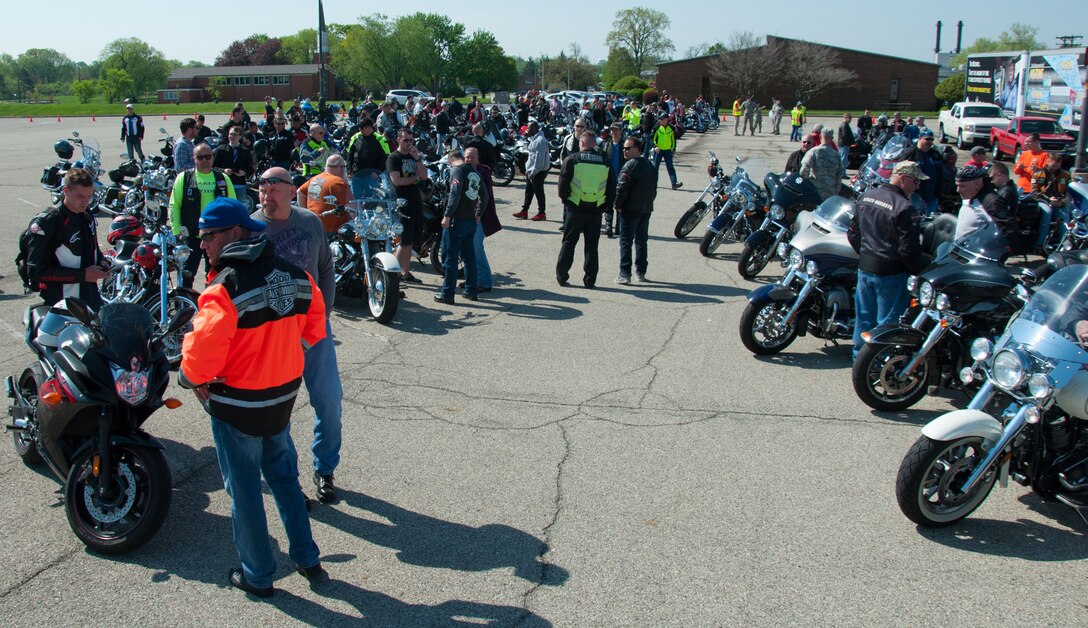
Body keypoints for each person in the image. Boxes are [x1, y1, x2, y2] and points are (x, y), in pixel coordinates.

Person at [179, 197, 328, 599]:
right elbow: (315, 327)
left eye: (207, 236)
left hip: (238, 404)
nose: (203, 245)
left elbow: (199, 357)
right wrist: (277, 349)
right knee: (284, 479)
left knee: (243, 490)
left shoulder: (223, 286)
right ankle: (307, 557)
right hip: (280, 400)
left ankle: (258, 575)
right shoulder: (296, 274)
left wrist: (192, 377)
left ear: (233, 233)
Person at [251, 167, 342, 504]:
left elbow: (326, 266)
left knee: (329, 404)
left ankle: (325, 468)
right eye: (262, 187)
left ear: (292, 191)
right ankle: (287, 481)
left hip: (314, 329)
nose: (267, 193)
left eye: (274, 187)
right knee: (277, 414)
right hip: (273, 336)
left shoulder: (309, 222)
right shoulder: (249, 228)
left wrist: (326, 311)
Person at [847, 161, 927, 358]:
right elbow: (908, 250)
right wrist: (917, 271)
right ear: (903, 178)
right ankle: (878, 363)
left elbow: (853, 233)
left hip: (865, 267)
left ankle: (859, 359)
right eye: (915, 182)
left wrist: (866, 253)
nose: (917, 187)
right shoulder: (905, 208)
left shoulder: (867, 196)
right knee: (887, 325)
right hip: (890, 274)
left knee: (864, 319)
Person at [22, 168, 109, 307]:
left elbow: (91, 250)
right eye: (80, 196)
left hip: (90, 299)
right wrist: (82, 275)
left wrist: (102, 262)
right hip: (60, 304)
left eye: (89, 196)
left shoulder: (86, 215)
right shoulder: (48, 222)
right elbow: (35, 271)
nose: (86, 202)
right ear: (66, 191)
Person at [170, 142, 236, 288]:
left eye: (208, 157)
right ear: (194, 158)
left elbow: (233, 207)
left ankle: (211, 303)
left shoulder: (223, 179)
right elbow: (174, 205)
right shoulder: (184, 178)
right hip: (191, 235)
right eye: (200, 157)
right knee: (187, 273)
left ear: (213, 157)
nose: (205, 160)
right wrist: (176, 231)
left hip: (216, 236)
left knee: (215, 274)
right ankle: (185, 306)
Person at [556, 131, 617, 288]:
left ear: (581, 143)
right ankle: (590, 280)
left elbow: (562, 185)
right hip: (596, 210)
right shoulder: (606, 162)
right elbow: (612, 188)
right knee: (591, 246)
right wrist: (605, 206)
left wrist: (566, 201)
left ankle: (562, 277)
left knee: (568, 242)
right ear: (594, 144)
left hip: (574, 208)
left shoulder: (571, 160)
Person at [434, 149, 487, 305]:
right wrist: (478, 212)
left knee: (450, 259)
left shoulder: (456, 171)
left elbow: (455, 193)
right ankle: (471, 290)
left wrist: (447, 214)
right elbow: (485, 195)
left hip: (457, 220)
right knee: (469, 258)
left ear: (450, 161)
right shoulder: (475, 173)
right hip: (470, 221)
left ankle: (447, 293)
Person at [613, 136, 658, 284]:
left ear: (637, 149)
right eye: (623, 148)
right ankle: (641, 272)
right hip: (645, 209)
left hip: (631, 209)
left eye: (627, 148)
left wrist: (617, 205)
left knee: (626, 241)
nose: (624, 151)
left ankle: (625, 273)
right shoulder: (650, 165)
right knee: (641, 240)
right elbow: (654, 190)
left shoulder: (630, 166)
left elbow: (621, 189)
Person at [387, 128, 429, 283]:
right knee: (404, 241)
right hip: (401, 203)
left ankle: (405, 272)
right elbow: (397, 181)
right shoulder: (394, 158)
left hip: (415, 201)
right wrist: (415, 179)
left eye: (411, 140)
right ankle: (394, 276)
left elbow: (424, 176)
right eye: (406, 140)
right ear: (398, 140)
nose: (409, 143)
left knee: (411, 241)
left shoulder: (413, 157)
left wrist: (417, 159)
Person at [462, 147, 500, 293]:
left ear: (477, 159)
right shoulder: (462, 171)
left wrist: (479, 214)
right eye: (466, 157)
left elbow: (485, 197)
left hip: (479, 217)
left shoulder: (483, 173)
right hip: (464, 216)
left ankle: (484, 282)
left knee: (476, 248)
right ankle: (471, 280)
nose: (469, 160)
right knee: (466, 249)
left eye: (472, 157)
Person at [952, 164, 1013, 241]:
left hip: (974, 250)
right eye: (957, 186)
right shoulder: (969, 195)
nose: (958, 190)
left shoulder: (991, 202)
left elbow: (1008, 228)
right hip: (958, 248)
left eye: (962, 186)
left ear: (977, 184)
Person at [297, 155, 353, 234]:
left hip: (313, 226)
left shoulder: (315, 179)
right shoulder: (338, 182)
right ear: (341, 168)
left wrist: (305, 215)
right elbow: (352, 206)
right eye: (344, 167)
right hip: (334, 229)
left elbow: (299, 192)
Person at [901, 128, 944, 215]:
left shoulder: (935, 154)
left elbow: (940, 173)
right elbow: (901, 173)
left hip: (933, 197)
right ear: (920, 138)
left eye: (932, 139)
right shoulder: (910, 153)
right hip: (915, 197)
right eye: (927, 139)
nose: (930, 142)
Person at [512, 121, 549, 221]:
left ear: (535, 129)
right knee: (529, 191)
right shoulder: (534, 139)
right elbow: (532, 157)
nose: (527, 130)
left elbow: (539, 160)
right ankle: (524, 211)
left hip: (538, 171)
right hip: (532, 170)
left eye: (529, 128)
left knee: (539, 191)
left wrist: (533, 171)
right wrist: (528, 169)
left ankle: (542, 213)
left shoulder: (540, 141)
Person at [347, 118, 388, 199]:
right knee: (355, 199)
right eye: (360, 128)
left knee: (371, 200)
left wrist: (377, 172)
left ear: (369, 128)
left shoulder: (380, 139)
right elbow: (350, 155)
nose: (360, 129)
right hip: (356, 174)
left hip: (371, 175)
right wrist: (349, 171)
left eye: (362, 128)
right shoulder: (355, 137)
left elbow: (386, 157)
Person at [799, 128, 843, 201]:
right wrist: (835, 191)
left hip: (815, 191)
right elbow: (839, 175)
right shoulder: (836, 155)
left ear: (820, 137)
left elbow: (804, 169)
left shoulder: (814, 151)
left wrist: (806, 185)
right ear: (832, 139)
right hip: (830, 192)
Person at [213, 126, 253, 201]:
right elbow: (213, 167)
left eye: (235, 134)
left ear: (240, 137)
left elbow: (250, 169)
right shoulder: (221, 150)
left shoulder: (245, 151)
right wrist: (223, 171)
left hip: (239, 185)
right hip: (224, 184)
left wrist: (243, 173)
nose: (232, 137)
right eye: (231, 134)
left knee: (238, 208)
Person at [600, 122, 625, 238]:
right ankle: (608, 226)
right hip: (609, 178)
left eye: (616, 130)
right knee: (608, 203)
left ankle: (619, 226)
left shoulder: (625, 145)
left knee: (620, 203)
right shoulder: (606, 145)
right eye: (612, 130)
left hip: (622, 179)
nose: (614, 132)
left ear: (620, 131)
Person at [652, 115, 682, 190]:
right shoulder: (656, 127)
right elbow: (652, 139)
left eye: (664, 119)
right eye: (661, 119)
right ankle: (653, 184)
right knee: (655, 168)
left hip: (668, 151)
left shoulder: (671, 128)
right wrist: (655, 146)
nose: (662, 120)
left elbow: (673, 139)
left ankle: (674, 183)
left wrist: (674, 149)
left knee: (670, 167)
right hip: (659, 151)